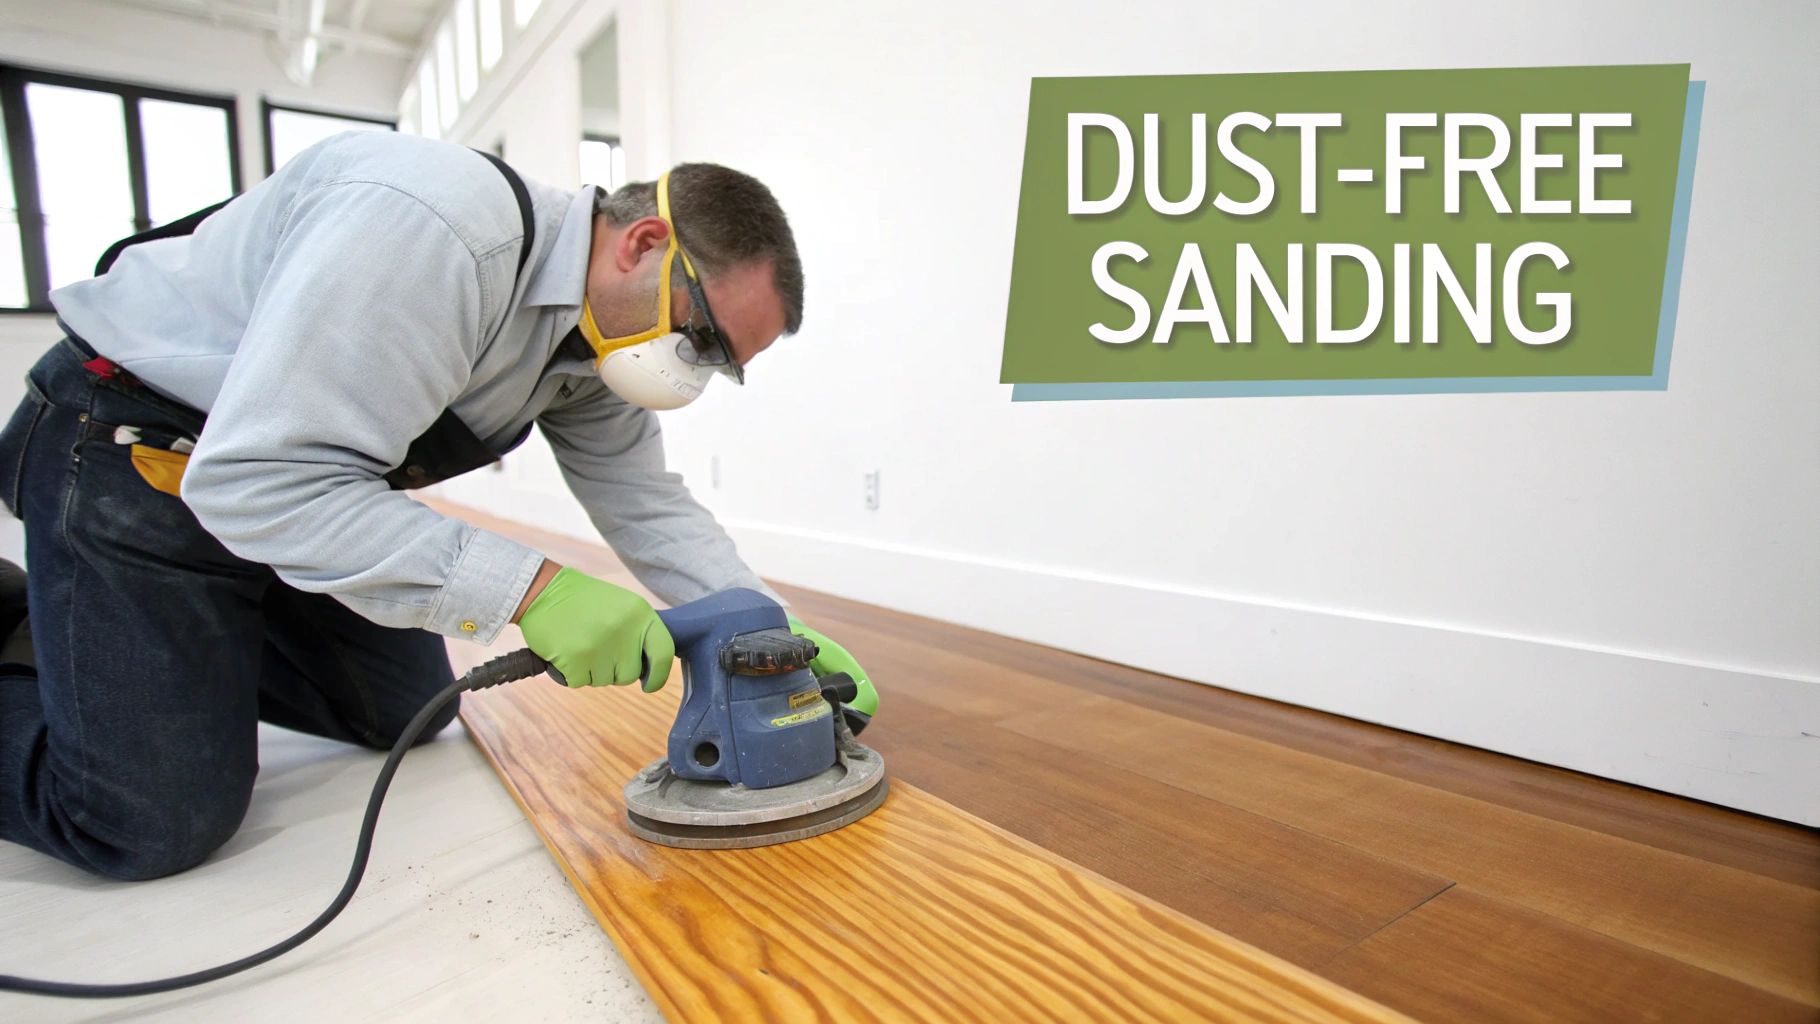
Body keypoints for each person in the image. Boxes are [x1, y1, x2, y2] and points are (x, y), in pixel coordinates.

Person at [0, 131, 876, 881]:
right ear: (642, 243)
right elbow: (259, 476)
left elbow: (645, 502)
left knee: (398, 709)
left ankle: (128, 641)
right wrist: (535, 590)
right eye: (703, 337)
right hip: (133, 446)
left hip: (283, 493)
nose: (691, 370)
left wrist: (765, 625)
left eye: (720, 364)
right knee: (149, 820)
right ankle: (64, 624)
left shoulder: (601, 341)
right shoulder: (436, 231)